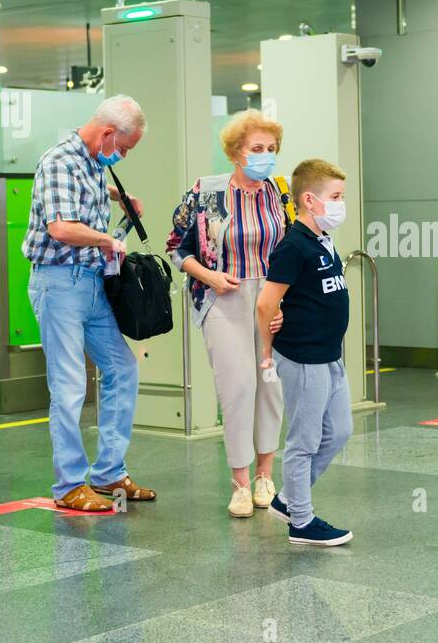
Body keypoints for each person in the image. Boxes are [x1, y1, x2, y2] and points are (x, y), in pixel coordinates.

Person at [22, 95, 155, 511]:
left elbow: (83, 196)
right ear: (107, 134)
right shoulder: (59, 161)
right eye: (125, 147)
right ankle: (68, 486)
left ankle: (109, 473)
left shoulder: (94, 162)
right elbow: (61, 227)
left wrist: (119, 198)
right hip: (59, 284)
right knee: (69, 385)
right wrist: (106, 239)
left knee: (121, 366)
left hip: (92, 283)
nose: (124, 154)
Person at [166, 110, 291, 518]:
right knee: (237, 388)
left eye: (271, 149)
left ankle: (265, 476)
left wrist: (285, 303)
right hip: (224, 296)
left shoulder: (280, 192)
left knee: (270, 385)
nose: (266, 156)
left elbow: (294, 250)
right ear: (236, 152)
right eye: (257, 149)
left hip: (270, 299)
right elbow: (176, 247)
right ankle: (240, 482)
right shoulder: (206, 192)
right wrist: (211, 277)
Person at [255, 159, 354, 546]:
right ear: (309, 201)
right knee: (304, 441)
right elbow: (266, 304)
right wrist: (267, 351)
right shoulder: (293, 247)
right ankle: (301, 520)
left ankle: (288, 499)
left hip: (331, 356)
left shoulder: (324, 240)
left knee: (339, 431)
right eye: (335, 197)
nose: (340, 204)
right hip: (304, 358)